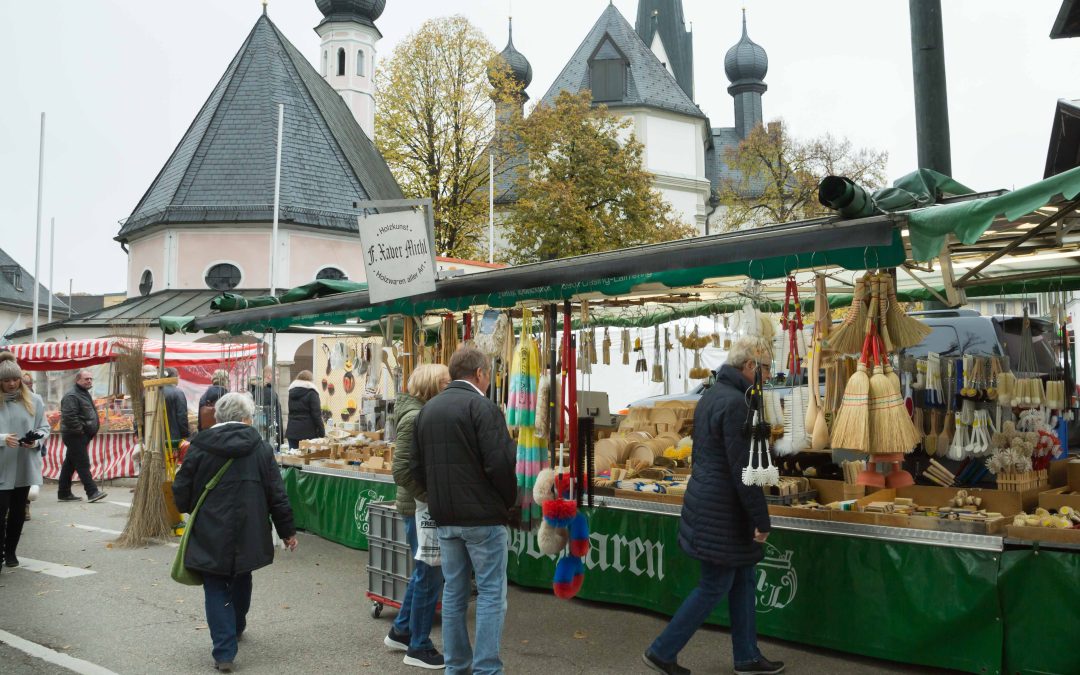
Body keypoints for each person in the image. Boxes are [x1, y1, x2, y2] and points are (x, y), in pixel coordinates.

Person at [642, 337, 784, 675]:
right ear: (749, 367)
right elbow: (742, 470)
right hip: (723, 510)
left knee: (743, 579)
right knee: (715, 584)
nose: (766, 375)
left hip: (710, 503)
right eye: (764, 368)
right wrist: (761, 520)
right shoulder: (736, 404)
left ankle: (747, 657)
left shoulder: (712, 396)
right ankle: (661, 651)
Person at [172, 392, 297, 673]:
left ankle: (224, 652)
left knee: (215, 583)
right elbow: (276, 494)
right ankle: (237, 624)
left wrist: (193, 508)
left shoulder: (198, 447)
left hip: (210, 527)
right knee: (242, 574)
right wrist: (287, 531)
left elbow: (181, 490)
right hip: (250, 527)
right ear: (245, 418)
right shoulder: (261, 448)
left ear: (217, 417)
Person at [412, 346, 516, 675]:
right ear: (481, 374)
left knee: (455, 593)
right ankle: (486, 669)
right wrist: (507, 501)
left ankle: (456, 667)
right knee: (489, 594)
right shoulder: (483, 408)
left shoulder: (427, 411)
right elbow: (501, 463)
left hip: (445, 517)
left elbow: (415, 469)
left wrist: (437, 497)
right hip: (484, 518)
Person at [387, 363, 451, 670]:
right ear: (431, 386)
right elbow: (400, 470)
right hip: (419, 508)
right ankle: (419, 646)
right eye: (445, 383)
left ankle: (401, 629)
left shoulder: (417, 412)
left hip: (415, 505)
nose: (449, 387)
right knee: (430, 572)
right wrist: (430, 498)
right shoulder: (415, 417)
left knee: (423, 570)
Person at [0, 352, 49, 570]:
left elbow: (44, 428)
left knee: (19, 512)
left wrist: (36, 441)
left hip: (24, 464)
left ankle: (10, 552)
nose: (12, 384)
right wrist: (2, 438)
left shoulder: (34, 400)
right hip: (2, 465)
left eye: (15, 379)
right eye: (6, 380)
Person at [58, 369, 107, 503]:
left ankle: (63, 492)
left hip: (80, 435)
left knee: (70, 463)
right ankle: (92, 492)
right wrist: (80, 431)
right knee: (82, 463)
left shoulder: (82, 393)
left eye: (91, 379)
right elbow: (69, 416)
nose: (89, 381)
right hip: (74, 435)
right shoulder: (72, 395)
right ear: (78, 380)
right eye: (86, 379)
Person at [285, 370, 324, 449]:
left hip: (292, 432)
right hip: (308, 434)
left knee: (293, 458)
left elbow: (291, 412)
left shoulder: (291, 392)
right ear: (310, 380)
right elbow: (316, 415)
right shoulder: (312, 393)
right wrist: (321, 431)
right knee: (306, 459)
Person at [249, 367, 282, 449]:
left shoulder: (259, 390)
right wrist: (277, 437)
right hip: (268, 436)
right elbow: (270, 416)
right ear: (269, 375)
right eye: (277, 375)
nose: (278, 378)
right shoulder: (267, 392)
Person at [162, 367, 190, 446]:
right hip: (173, 439)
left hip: (156, 438)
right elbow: (182, 416)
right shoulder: (178, 393)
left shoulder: (155, 391)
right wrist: (185, 434)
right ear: (174, 378)